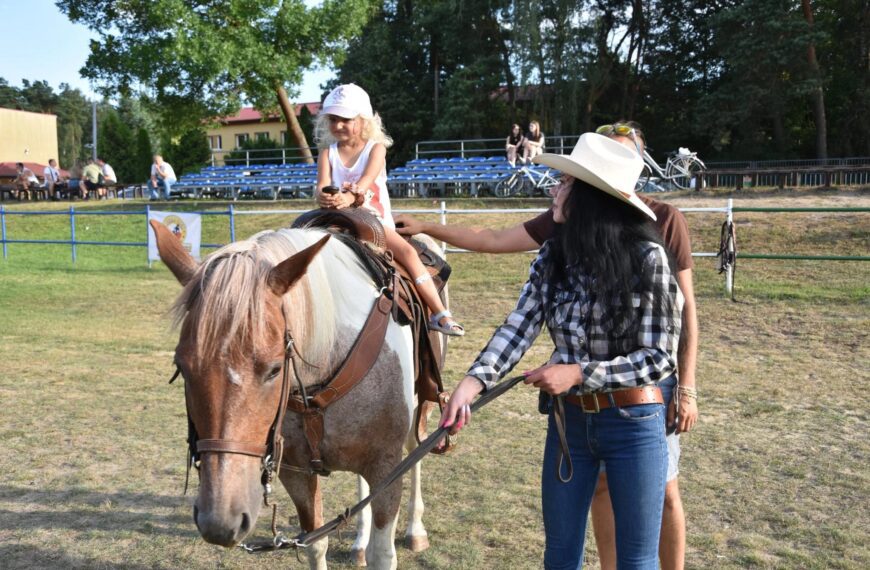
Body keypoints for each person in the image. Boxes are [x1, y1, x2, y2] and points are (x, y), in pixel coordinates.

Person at [396, 121, 699, 570]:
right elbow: (520, 325)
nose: (554, 191)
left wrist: (578, 373)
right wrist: (471, 383)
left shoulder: (648, 258)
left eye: (564, 183)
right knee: (559, 556)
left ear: (592, 197)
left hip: (634, 422)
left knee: (637, 561)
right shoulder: (554, 254)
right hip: (569, 424)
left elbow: (657, 358)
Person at [313, 83, 464, 336]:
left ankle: (439, 313)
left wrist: (350, 196)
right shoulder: (327, 153)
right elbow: (321, 186)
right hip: (337, 218)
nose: (337, 125)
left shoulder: (376, 149)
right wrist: (325, 197)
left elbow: (366, 182)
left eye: (345, 119)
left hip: (372, 219)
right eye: (333, 119)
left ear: (363, 121)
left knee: (406, 252)